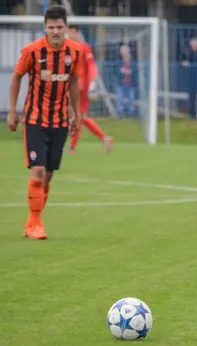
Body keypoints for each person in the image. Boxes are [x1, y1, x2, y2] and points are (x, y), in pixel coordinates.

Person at [8, 5, 82, 240]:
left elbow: (74, 83)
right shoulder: (32, 51)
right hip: (35, 119)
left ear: (66, 28)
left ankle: (35, 221)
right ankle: (34, 223)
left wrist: (76, 114)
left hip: (59, 121)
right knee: (38, 169)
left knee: (48, 174)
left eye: (59, 27)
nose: (55, 32)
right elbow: (17, 77)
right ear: (45, 28)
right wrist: (12, 112)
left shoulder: (75, 51)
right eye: (51, 27)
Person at [66, 24, 113, 153]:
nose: (71, 35)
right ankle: (104, 138)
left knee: (78, 116)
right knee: (81, 117)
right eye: (69, 32)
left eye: (73, 32)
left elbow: (91, 66)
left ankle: (72, 147)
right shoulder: (68, 48)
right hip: (72, 86)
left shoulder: (84, 47)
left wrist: (92, 84)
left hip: (81, 87)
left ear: (78, 33)